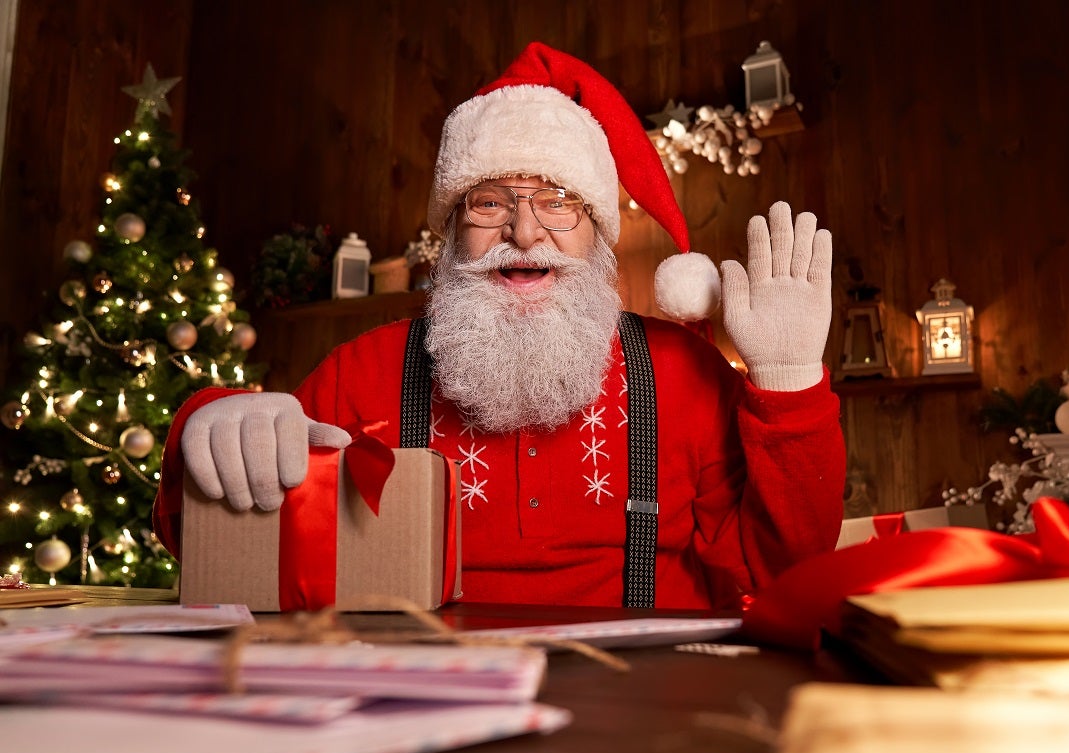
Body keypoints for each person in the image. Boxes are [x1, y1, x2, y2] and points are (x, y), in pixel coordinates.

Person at [153, 42, 845, 610]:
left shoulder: (679, 373)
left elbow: (779, 570)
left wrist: (789, 391)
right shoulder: (357, 375)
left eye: (558, 201)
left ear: (599, 233)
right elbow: (217, 543)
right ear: (450, 236)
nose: (522, 230)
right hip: (417, 715)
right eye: (488, 203)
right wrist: (211, 426)